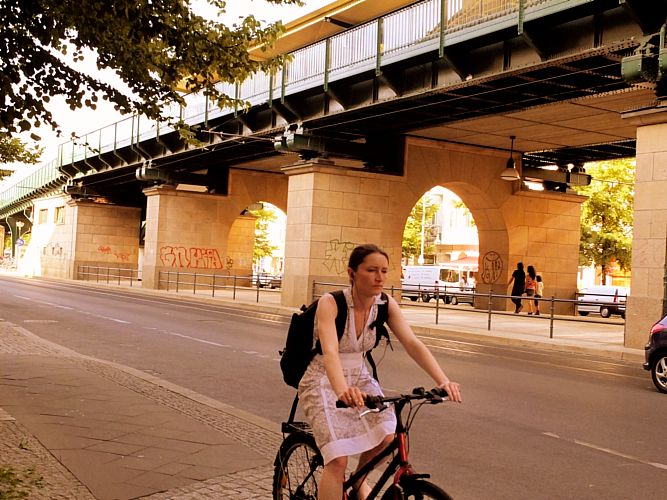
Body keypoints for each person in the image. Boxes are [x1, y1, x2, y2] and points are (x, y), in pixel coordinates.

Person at [298, 244, 462, 500]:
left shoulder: (385, 304)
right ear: (352, 273)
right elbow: (330, 353)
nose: (380, 277)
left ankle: (358, 483)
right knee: (338, 459)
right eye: (371, 270)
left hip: (360, 377)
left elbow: (412, 343)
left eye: (384, 271)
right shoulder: (332, 303)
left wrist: (443, 380)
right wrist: (342, 391)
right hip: (323, 380)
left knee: (386, 436)